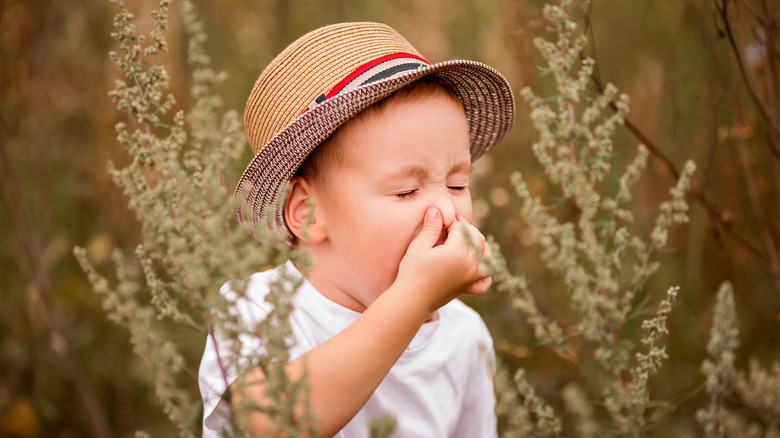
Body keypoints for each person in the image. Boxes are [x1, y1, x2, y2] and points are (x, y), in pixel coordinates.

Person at [198, 21, 515, 437]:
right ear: (308, 213)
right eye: (406, 191)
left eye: (458, 184)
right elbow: (272, 424)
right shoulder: (255, 312)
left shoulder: (464, 336)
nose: (446, 208)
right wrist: (414, 296)